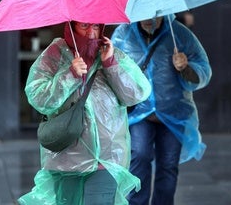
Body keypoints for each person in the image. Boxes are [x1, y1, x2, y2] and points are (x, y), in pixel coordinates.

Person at [18, 21, 152, 205]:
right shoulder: (56, 53)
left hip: (106, 159)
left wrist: (110, 64)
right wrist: (69, 74)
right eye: (84, 26)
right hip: (66, 159)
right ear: (72, 27)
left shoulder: (109, 52)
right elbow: (38, 97)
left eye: (96, 27)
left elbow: (136, 94)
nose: (91, 32)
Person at [111, 15, 212, 205]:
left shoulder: (179, 34)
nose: (148, 19)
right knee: (139, 156)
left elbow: (203, 67)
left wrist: (185, 67)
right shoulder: (123, 34)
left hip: (174, 113)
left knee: (168, 165)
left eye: (153, 14)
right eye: (144, 14)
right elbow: (111, 68)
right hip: (139, 114)